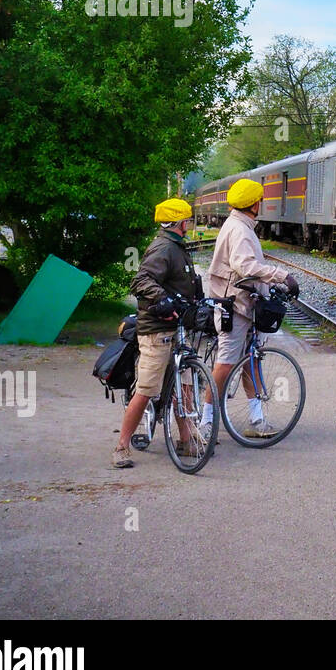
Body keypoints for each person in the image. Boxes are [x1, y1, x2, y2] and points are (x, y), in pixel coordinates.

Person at [113, 198, 205, 469]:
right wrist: (162, 297)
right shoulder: (164, 247)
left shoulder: (176, 246)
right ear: (179, 222)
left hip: (178, 327)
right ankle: (121, 447)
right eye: (187, 220)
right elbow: (140, 281)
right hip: (156, 330)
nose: (189, 224)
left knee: (185, 384)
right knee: (146, 389)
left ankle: (186, 440)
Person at [205, 178, 299, 438]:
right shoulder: (240, 230)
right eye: (261, 200)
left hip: (244, 305)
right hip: (234, 307)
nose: (263, 203)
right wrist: (281, 276)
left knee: (251, 362)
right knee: (225, 363)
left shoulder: (240, 225)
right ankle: (204, 421)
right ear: (254, 204)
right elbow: (244, 266)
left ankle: (256, 420)